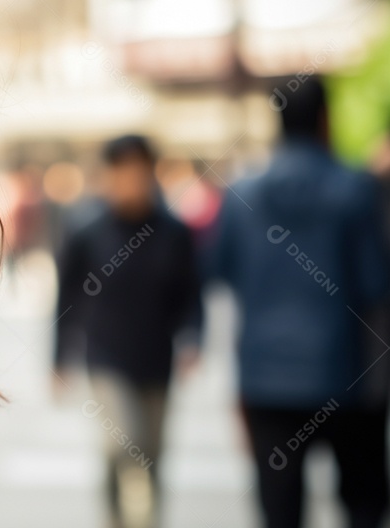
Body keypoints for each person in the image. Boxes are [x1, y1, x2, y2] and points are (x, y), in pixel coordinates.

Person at [209, 77, 390, 528]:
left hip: (266, 378)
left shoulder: (242, 194)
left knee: (280, 509)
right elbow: (374, 283)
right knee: (363, 503)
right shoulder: (357, 190)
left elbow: (218, 271)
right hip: (349, 375)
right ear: (326, 120)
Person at [54, 135, 201, 528]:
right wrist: (58, 358)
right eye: (123, 171)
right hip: (106, 359)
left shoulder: (175, 233)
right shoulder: (87, 231)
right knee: (122, 445)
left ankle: (144, 521)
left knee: (150, 455)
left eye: (140, 170)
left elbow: (191, 295)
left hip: (156, 359)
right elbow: (66, 298)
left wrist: (193, 337)